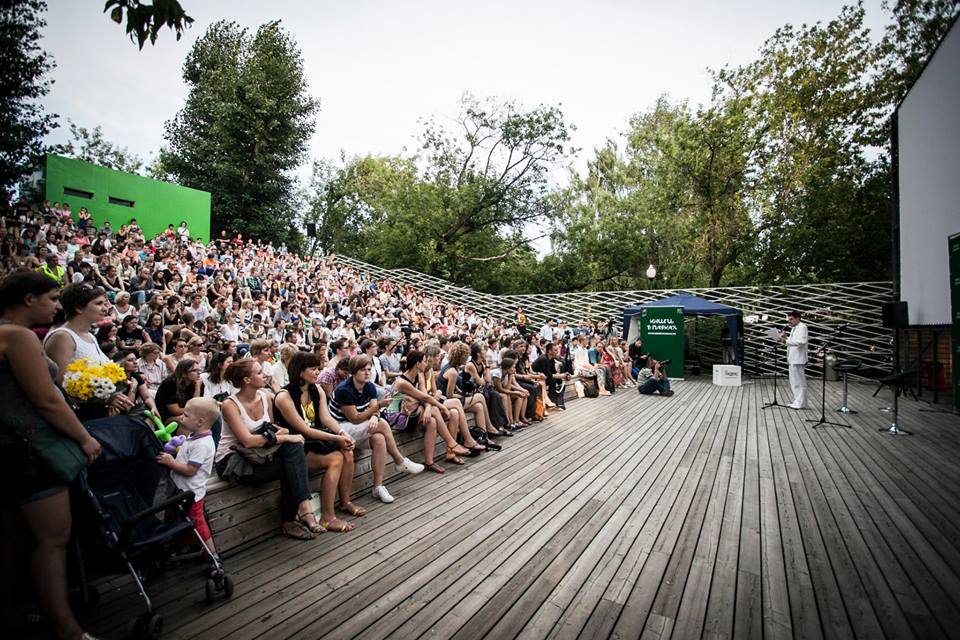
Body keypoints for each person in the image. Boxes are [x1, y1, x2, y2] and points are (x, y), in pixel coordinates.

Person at [0, 272, 102, 640]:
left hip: (8, 451)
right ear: (29, 299)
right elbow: (46, 399)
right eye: (52, 298)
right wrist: (84, 438)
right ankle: (67, 629)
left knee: (14, 539)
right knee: (53, 538)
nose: (57, 306)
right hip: (30, 452)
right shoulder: (18, 336)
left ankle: (12, 613)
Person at [216, 359, 322, 540]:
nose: (265, 374)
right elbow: (248, 441)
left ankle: (302, 511)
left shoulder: (265, 396)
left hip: (260, 455)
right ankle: (298, 515)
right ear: (247, 380)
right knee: (292, 463)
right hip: (234, 461)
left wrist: (284, 431)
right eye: (258, 372)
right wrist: (287, 436)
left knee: (294, 453)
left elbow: (270, 427)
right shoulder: (230, 404)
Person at [273, 352, 358, 532]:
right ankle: (328, 517)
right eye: (313, 369)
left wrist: (343, 433)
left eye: (318, 368)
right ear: (300, 371)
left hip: (315, 441)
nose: (317, 372)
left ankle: (345, 501)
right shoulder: (284, 396)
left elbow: (325, 418)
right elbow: (304, 430)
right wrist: (337, 438)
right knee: (336, 458)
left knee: (347, 451)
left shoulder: (316, 389)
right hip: (295, 448)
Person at [328, 355, 424, 503]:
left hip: (358, 426)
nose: (367, 373)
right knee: (383, 425)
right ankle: (400, 461)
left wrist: (375, 416)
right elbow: (354, 418)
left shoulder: (369, 386)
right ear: (353, 372)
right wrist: (378, 407)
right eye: (362, 370)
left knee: (379, 439)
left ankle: (378, 486)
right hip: (340, 427)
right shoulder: (344, 390)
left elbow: (374, 411)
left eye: (369, 369)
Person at [387, 350, 473, 473]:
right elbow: (426, 398)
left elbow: (425, 397)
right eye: (424, 361)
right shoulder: (402, 382)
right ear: (417, 364)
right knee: (436, 409)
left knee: (433, 421)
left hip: (412, 413)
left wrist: (427, 408)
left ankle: (429, 462)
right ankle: (451, 444)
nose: (426, 364)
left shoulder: (418, 376)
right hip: (397, 418)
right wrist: (441, 407)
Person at [155, 397, 220, 557]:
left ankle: (212, 553)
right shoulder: (194, 437)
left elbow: (190, 470)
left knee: (197, 523)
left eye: (185, 415)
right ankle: (183, 545)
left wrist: (170, 462)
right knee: (177, 520)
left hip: (190, 494)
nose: (181, 418)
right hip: (180, 490)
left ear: (199, 422)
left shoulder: (203, 444)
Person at [532, 342, 572, 410]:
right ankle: (554, 402)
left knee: (560, 380)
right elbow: (549, 375)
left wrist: (565, 375)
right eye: (555, 350)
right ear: (550, 351)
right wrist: (561, 375)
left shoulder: (552, 359)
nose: (557, 351)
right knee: (553, 380)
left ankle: (558, 402)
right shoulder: (544, 359)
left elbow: (554, 372)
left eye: (557, 350)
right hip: (536, 378)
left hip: (544, 377)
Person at [781, 310, 808, 409]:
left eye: (791, 319)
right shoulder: (794, 328)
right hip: (792, 358)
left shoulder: (803, 327)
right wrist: (785, 338)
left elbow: (801, 341)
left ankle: (800, 403)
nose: (790, 321)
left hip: (798, 358)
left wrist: (785, 341)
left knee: (799, 382)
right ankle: (798, 401)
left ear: (797, 318)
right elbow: (793, 341)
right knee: (794, 382)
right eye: (789, 319)